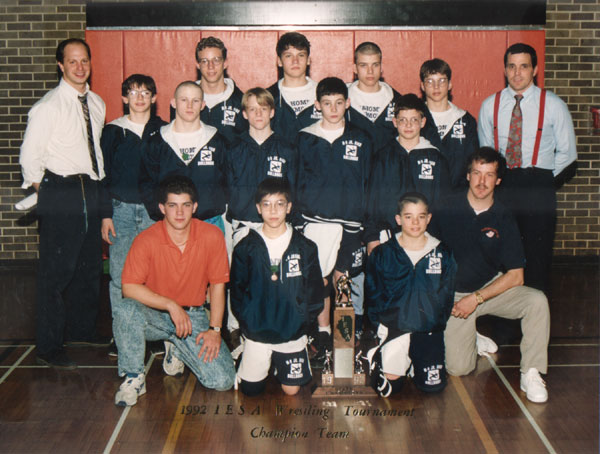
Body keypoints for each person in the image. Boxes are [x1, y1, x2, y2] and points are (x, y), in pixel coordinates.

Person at [429, 147, 550, 403]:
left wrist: (476, 299)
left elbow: (516, 276)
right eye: (477, 173)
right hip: (454, 296)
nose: (482, 182)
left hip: (487, 290)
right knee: (458, 369)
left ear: (498, 180)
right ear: (468, 176)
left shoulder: (504, 216)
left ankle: (532, 372)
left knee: (537, 301)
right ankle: (471, 333)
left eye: (489, 175)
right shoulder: (446, 207)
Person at [20, 38, 109, 369]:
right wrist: (46, 192)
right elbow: (30, 156)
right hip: (61, 190)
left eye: (84, 60)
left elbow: (95, 152)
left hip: (91, 187)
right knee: (56, 273)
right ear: (61, 65)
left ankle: (83, 330)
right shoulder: (48, 106)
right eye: (72, 62)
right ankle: (49, 345)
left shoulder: (97, 103)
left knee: (87, 266)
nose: (80, 67)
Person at [116, 175, 235, 406]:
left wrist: (215, 330)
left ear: (195, 207)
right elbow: (128, 287)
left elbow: (218, 286)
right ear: (162, 208)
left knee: (222, 380)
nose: (179, 213)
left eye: (186, 205)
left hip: (193, 316)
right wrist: (170, 305)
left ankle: (176, 348)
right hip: (155, 314)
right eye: (172, 205)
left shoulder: (212, 236)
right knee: (126, 308)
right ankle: (134, 377)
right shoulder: (146, 239)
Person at [478, 43, 577, 293]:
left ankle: (536, 319)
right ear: (505, 70)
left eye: (524, 66)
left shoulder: (553, 104)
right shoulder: (491, 105)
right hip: (504, 186)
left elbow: (568, 153)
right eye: (512, 66)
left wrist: (541, 179)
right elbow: (486, 151)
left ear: (534, 70)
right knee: (502, 254)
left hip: (538, 185)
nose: (517, 73)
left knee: (537, 257)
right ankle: (503, 322)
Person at [295, 76, 372, 365]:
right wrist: (297, 221)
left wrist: (365, 223)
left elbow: (367, 182)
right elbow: (297, 181)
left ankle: (344, 340)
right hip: (314, 222)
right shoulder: (305, 137)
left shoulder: (362, 138)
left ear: (348, 103)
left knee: (344, 282)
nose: (333, 108)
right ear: (317, 105)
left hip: (350, 224)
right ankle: (323, 334)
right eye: (327, 103)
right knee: (319, 281)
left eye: (339, 103)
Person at [231, 178, 323, 396]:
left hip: (290, 333)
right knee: (251, 391)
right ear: (258, 208)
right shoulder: (246, 248)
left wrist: (302, 322)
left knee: (291, 391)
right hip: (258, 332)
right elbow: (236, 291)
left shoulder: (305, 247)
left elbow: (315, 292)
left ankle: (281, 360)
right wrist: (249, 322)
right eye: (266, 204)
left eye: (280, 203)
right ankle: (254, 357)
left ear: (289, 207)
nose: (273, 210)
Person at [224, 87, 298, 355]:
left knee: (273, 278)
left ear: (272, 112)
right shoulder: (232, 148)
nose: (258, 114)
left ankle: (273, 328)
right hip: (244, 224)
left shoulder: (287, 147)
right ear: (244, 113)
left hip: (277, 225)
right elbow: (226, 187)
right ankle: (235, 329)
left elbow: (293, 188)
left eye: (263, 109)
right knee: (241, 279)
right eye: (252, 109)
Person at [100, 74, 167, 358]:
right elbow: (101, 176)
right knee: (120, 276)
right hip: (121, 211)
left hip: (154, 212)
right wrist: (105, 215)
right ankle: (122, 334)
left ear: (154, 98)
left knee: (157, 275)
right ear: (125, 98)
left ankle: (157, 333)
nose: (140, 97)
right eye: (133, 92)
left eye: (145, 92)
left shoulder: (164, 130)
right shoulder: (113, 131)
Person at [365, 192, 456, 397]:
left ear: (428, 218)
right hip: (396, 327)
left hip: (427, 329)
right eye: (408, 216)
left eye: (421, 216)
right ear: (398, 220)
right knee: (390, 390)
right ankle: (385, 355)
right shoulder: (383, 253)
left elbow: (447, 294)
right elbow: (373, 293)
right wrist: (381, 325)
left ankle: (418, 359)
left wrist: (435, 323)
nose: (415, 222)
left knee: (431, 388)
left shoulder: (442, 253)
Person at [365, 93, 450, 255]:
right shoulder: (382, 157)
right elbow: (371, 202)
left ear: (423, 122)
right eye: (403, 120)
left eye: (414, 120)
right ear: (395, 122)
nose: (408, 125)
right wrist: (372, 237)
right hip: (387, 237)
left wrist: (439, 239)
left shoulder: (436, 159)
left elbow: (444, 205)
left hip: (425, 238)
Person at [139, 81, 229, 233]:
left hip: (209, 223)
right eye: (184, 100)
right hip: (169, 225)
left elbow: (228, 182)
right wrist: (160, 215)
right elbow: (146, 184)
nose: (189, 105)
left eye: (195, 101)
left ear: (202, 105)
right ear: (174, 103)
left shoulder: (218, 141)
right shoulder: (157, 142)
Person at [169, 36, 247, 145]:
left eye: (216, 60)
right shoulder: (184, 100)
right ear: (198, 65)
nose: (211, 66)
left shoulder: (242, 102)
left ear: (225, 63)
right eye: (204, 61)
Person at [419, 58, 479, 188]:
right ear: (422, 86)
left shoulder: (465, 120)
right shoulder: (414, 119)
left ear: (450, 84)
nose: (436, 86)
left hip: (456, 194)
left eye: (442, 80)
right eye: (430, 81)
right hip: (422, 194)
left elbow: (472, 164)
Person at [346, 42, 401, 153]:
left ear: (381, 68)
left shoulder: (397, 100)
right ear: (355, 68)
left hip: (387, 168)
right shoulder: (342, 100)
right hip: (354, 167)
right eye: (363, 65)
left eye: (375, 65)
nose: (370, 71)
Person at [268, 32, 321, 143]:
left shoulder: (322, 93)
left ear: (308, 60)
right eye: (288, 55)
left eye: (301, 55)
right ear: (279, 61)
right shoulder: (269, 96)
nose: (295, 61)